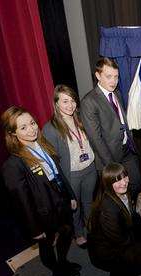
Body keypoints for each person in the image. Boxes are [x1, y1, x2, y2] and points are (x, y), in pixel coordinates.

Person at [1, 106, 81, 276]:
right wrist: (35, 229)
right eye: (23, 127)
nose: (32, 129)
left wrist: (71, 196)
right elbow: (22, 202)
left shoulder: (42, 144)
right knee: (46, 245)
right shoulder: (13, 165)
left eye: (32, 123)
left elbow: (58, 172)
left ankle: (62, 261)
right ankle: (57, 270)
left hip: (61, 201)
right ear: (13, 133)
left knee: (67, 232)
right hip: (43, 213)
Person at [42, 85, 97, 249]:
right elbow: (52, 161)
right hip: (71, 174)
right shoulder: (50, 128)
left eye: (72, 100)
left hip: (90, 169)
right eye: (65, 101)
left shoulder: (81, 119)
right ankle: (79, 234)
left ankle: (92, 229)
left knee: (89, 203)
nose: (70, 105)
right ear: (56, 103)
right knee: (75, 206)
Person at [80, 57, 141, 202]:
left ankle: (130, 208)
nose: (113, 81)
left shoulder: (117, 93)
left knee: (136, 183)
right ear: (98, 75)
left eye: (116, 77)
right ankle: (125, 215)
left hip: (127, 150)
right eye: (109, 77)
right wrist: (111, 166)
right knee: (115, 195)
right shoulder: (89, 101)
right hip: (110, 157)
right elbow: (96, 139)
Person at [87, 163, 141, 276]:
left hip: (120, 235)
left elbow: (132, 214)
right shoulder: (107, 209)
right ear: (107, 184)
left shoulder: (123, 192)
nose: (124, 183)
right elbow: (119, 240)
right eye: (117, 181)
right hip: (107, 249)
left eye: (125, 177)